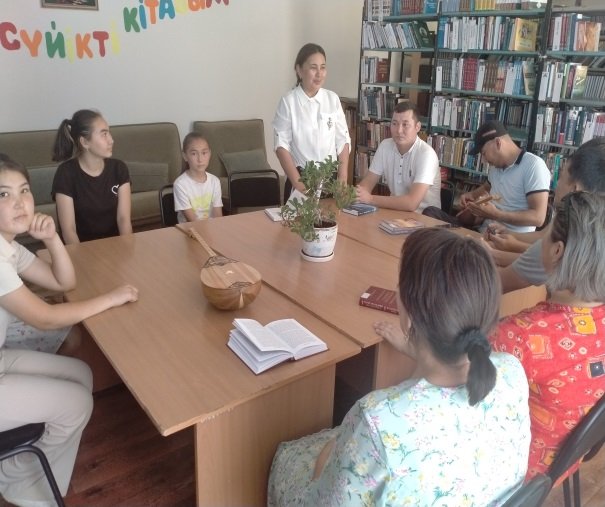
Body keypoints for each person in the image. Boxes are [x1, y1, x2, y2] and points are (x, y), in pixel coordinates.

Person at [268, 228, 531, 506]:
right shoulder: (512, 372)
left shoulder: (377, 421)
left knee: (287, 455)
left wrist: (325, 461)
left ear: (407, 313)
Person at [0, 156, 138, 506]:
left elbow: (65, 281)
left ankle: (28, 475)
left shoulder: (9, 247)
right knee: (77, 404)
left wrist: (52, 239)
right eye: (3, 194)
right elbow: (46, 318)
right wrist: (111, 298)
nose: (19, 202)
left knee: (81, 375)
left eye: (24, 190)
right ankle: (15, 478)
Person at [492, 191, 605, 480]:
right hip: (566, 461)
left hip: (517, 474)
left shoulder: (518, 336)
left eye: (545, 235)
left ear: (557, 251)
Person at [495, 137, 605, 293]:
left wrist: (489, 253)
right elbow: (538, 250)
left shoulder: (566, 232)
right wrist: (510, 236)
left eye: (560, 177)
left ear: (575, 190)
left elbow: (500, 281)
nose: (555, 182)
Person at [423, 120, 551, 233]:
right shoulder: (496, 167)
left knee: (440, 236)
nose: (484, 161)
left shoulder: (533, 166)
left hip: (505, 238)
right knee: (430, 213)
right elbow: (487, 187)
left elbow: (538, 218)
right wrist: (471, 196)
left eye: (484, 153)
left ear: (498, 143)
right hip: (482, 229)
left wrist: (497, 215)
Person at [273, 43, 351, 198]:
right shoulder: (289, 102)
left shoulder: (332, 98)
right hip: (301, 179)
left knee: (332, 214)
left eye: (323, 67)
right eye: (313, 68)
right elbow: (281, 147)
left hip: (330, 180)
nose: (319, 74)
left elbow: (343, 140)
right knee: (301, 215)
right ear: (299, 70)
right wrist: (300, 186)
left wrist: (342, 179)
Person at [51, 109, 132, 244]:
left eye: (109, 133)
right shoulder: (65, 173)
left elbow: (123, 219)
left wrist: (128, 250)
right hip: (81, 249)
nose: (111, 140)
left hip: (116, 247)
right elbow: (69, 230)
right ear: (84, 142)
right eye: (104, 134)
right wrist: (81, 256)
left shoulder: (119, 168)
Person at [356, 102, 441, 212]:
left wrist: (370, 199)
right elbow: (367, 184)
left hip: (424, 217)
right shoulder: (385, 146)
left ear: (417, 127)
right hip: (394, 212)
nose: (399, 130)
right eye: (394, 124)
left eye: (405, 125)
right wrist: (356, 194)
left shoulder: (426, 154)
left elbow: (411, 203)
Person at [173, 132, 223, 223]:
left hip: (212, 228)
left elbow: (218, 217)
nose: (200, 159)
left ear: (209, 154)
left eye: (204, 153)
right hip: (190, 229)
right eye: (194, 154)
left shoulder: (215, 181)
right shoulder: (180, 184)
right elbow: (192, 220)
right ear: (185, 156)